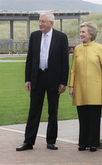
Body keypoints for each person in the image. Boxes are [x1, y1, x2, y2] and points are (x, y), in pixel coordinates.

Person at [16, 11, 69, 151]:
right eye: (39, 21)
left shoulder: (61, 37)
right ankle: (28, 142)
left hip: (53, 79)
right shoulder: (34, 36)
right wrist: (28, 78)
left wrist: (63, 82)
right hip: (37, 78)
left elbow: (65, 62)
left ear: (51, 23)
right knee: (34, 110)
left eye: (43, 21)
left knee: (53, 111)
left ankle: (51, 141)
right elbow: (30, 59)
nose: (40, 24)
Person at [69, 21, 102, 152]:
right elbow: (73, 69)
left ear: (91, 34)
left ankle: (93, 143)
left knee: (94, 116)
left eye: (83, 32)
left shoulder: (99, 48)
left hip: (96, 88)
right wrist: (71, 86)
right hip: (79, 87)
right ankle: (82, 142)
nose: (80, 34)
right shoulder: (77, 49)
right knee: (82, 116)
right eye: (80, 32)